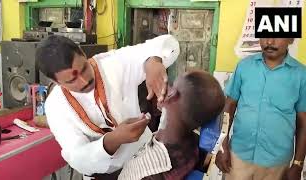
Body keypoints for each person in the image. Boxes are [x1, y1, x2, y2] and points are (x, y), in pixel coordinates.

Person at [35, 34, 180, 179]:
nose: (84, 80)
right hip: (103, 174)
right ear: (57, 82)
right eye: (72, 80)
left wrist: (153, 61)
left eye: (84, 68)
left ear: (83, 53)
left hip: (146, 160)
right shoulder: (55, 106)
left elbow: (168, 44)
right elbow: (77, 158)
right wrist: (114, 139)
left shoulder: (111, 64)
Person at [216, 38, 306, 180]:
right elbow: (229, 107)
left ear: (290, 39)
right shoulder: (244, 66)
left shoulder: (301, 75)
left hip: (276, 165)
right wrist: (221, 146)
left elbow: (303, 122)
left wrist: (298, 164)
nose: (269, 42)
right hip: (238, 157)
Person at [118, 70, 225, 180]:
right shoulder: (193, 146)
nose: (165, 87)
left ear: (171, 95)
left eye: (172, 85)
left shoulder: (151, 173)